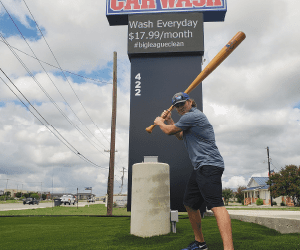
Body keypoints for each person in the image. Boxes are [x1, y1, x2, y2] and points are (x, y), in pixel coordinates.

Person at [154, 92, 234, 250]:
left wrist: (159, 123)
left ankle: (228, 248)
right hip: (200, 167)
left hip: (209, 165)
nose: (180, 108)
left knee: (216, 205)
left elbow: (170, 131)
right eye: (177, 106)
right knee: (190, 204)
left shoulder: (193, 115)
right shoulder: (187, 119)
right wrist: (169, 120)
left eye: (182, 104)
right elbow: (179, 135)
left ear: (190, 102)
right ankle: (200, 243)